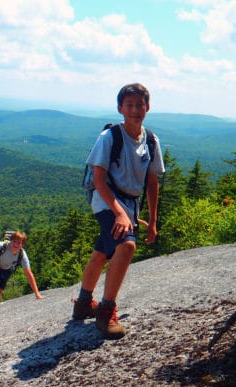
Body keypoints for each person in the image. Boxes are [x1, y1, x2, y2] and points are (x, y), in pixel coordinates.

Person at [72, 83, 165, 339]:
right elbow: (99, 180)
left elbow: (152, 182)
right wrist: (120, 213)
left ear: (148, 107)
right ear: (120, 108)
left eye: (140, 105)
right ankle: (105, 311)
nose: (135, 110)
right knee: (127, 245)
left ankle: (82, 304)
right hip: (105, 199)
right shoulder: (110, 137)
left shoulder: (151, 140)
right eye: (129, 105)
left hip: (130, 204)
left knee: (103, 250)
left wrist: (153, 220)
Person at [0, 230, 43, 318]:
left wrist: (37, 293)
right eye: (14, 241)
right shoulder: (0, 246)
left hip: (7, 269)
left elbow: (29, 274)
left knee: (0, 289)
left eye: (19, 243)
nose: (16, 244)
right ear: (11, 241)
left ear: (22, 245)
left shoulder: (22, 254)